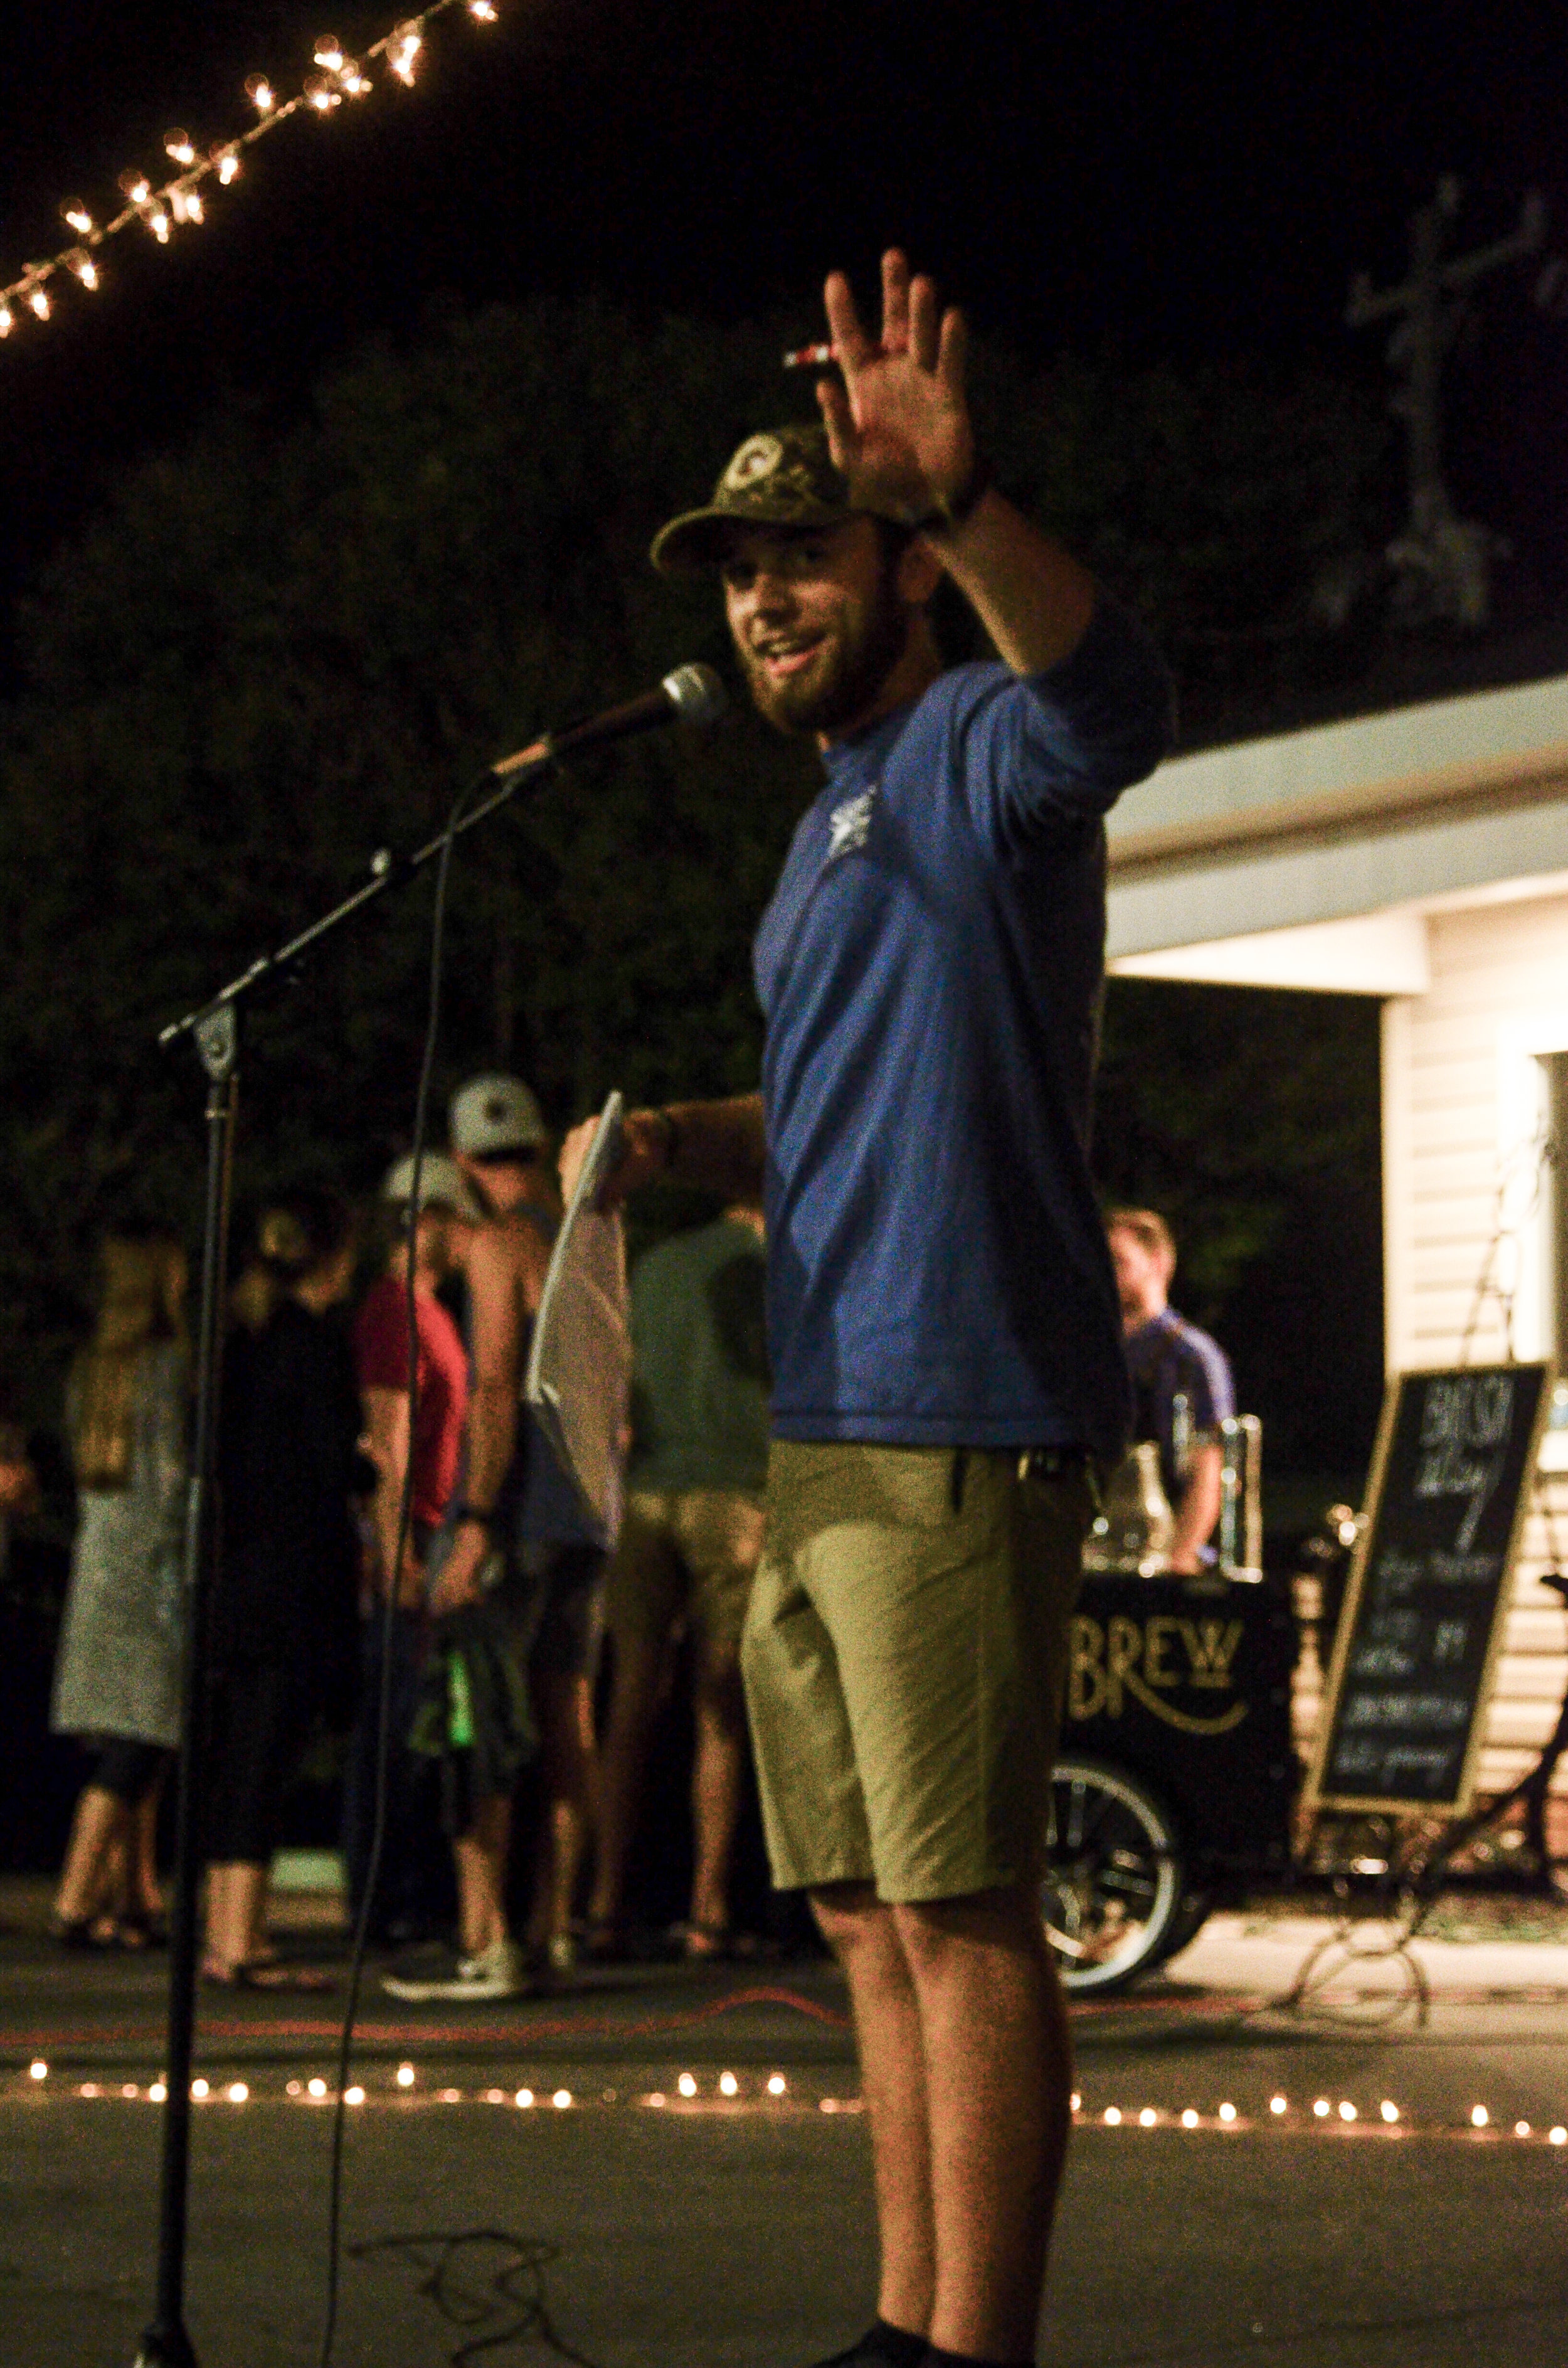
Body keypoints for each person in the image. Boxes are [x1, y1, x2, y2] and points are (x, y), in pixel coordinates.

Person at [563, 251, 1172, 2368]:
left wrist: (957, 492)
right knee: (856, 1904)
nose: (760, 603)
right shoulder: (818, 829)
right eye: (736, 576)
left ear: (895, 568)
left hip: (958, 1392)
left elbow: (1125, 711)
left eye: (800, 556)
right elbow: (820, 1116)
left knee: (960, 1896)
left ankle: (974, 2349)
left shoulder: (988, 747)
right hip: (817, 1415)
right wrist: (670, 1145)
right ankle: (907, 2323)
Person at [384, 1075, 607, 2002]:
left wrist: (474, 1520)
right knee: (564, 1727)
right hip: (589, 1515)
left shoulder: (500, 1245)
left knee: (479, 1720)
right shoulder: (588, 1243)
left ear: (466, 1163)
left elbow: (492, 1389)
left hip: (516, 1514)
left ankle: (487, 1937)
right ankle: (555, 1928)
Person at [588, 1201, 769, 1962]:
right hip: (736, 1496)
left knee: (629, 1699)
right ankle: (707, 1905)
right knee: (718, 1708)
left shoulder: (655, 1265)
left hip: (646, 1493)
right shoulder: (771, 1267)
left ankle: (600, 1899)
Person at [202, 1191, 364, 1988]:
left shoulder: (243, 1339)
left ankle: (226, 1927)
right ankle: (238, 1939)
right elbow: (340, 1462)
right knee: (268, 1753)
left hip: (243, 1566)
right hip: (298, 1573)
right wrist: (370, 1465)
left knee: (242, 1753)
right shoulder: (316, 1346)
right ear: (334, 1256)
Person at [343, 1152, 477, 1944]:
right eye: (455, 1221)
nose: (465, 1238)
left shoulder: (428, 1309)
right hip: (412, 1533)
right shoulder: (395, 1310)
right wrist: (397, 1548)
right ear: (422, 1221)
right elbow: (387, 1436)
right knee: (391, 1724)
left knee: (411, 1720)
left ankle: (398, 1891)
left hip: (429, 1528)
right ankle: (380, 1900)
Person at [50, 1232, 189, 1948]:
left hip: (99, 1560)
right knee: (141, 1735)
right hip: (150, 1570)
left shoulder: (93, 1371)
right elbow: (170, 1478)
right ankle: (77, 1894)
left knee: (137, 1730)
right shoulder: (165, 1371)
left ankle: (136, 1890)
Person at [1104, 1207, 1236, 1576]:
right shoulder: (1096, 1353)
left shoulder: (1193, 1356)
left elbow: (1209, 1469)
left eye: (1118, 1260)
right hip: (1104, 1552)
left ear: (1158, 1261)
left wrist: (1180, 1556)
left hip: (1164, 1556)